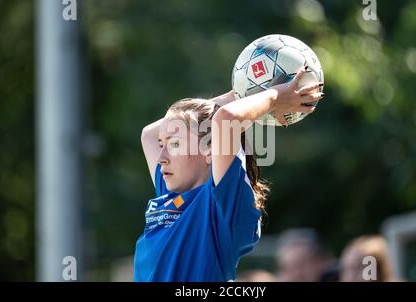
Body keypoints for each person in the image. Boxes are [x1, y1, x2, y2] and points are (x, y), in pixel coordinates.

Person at [133, 66, 324, 281]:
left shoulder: (221, 207)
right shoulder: (171, 196)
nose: (161, 156)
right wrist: (245, 92)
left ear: (210, 150)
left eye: (175, 143)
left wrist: (276, 96)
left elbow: (225, 119)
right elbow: (149, 134)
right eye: (163, 143)